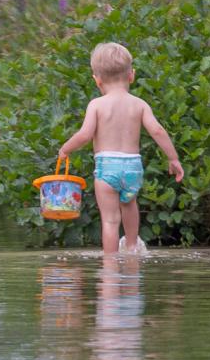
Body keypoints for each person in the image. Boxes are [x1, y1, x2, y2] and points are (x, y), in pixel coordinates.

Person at [58, 42, 184, 253]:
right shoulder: (139, 104)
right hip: (133, 167)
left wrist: (65, 149)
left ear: (97, 80)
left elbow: (85, 135)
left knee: (110, 221)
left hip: (107, 167)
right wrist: (173, 158)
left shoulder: (96, 105)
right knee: (129, 205)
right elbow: (158, 131)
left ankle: (110, 263)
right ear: (131, 75)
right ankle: (132, 249)